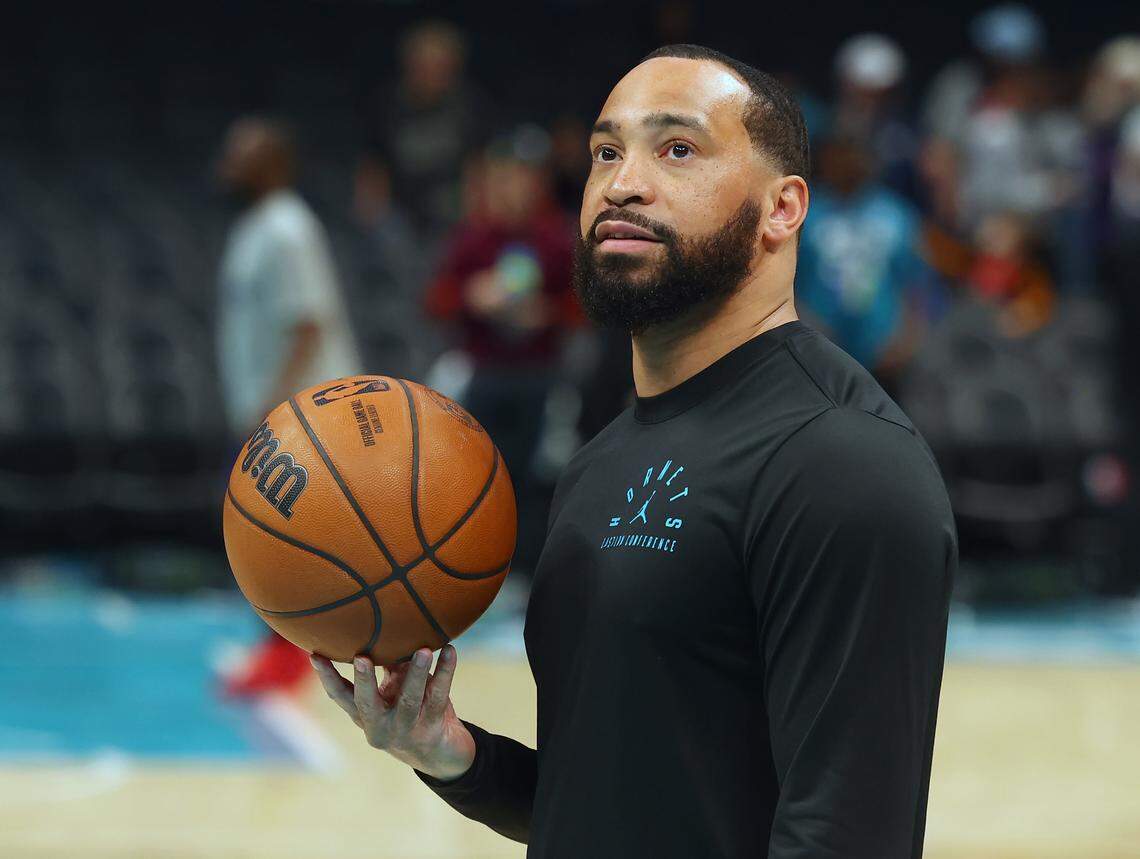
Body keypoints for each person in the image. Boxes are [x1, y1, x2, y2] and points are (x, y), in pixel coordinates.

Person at [311, 45, 957, 858]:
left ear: (783, 209)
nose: (623, 183)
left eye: (677, 149)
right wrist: (451, 752)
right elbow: (617, 801)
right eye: (606, 152)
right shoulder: (600, 462)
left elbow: (844, 838)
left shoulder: (845, 467)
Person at [216, 117, 362, 696]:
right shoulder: (255, 227)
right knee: (271, 536)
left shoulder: (289, 229)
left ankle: (289, 654)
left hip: (302, 416)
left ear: (273, 163)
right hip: (273, 411)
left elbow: (308, 323)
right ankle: (281, 646)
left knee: (287, 539)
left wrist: (272, 407)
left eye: (240, 154)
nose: (226, 164)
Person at [424, 125, 580, 577]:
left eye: (524, 176)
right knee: (479, 476)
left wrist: (546, 313)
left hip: (539, 377)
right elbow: (437, 300)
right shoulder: (474, 239)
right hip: (485, 373)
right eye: (505, 176)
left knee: (536, 478)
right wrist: (471, 296)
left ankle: (530, 573)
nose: (514, 187)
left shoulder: (557, 239)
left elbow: (585, 307)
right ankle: (478, 570)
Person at [796, 134, 936, 394]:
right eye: (840, 155)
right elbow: (785, 282)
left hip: (886, 355)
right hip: (819, 354)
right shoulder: (803, 214)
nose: (849, 163)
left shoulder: (896, 214)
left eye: (855, 154)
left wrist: (907, 341)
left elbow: (917, 283)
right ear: (826, 160)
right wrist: (808, 335)